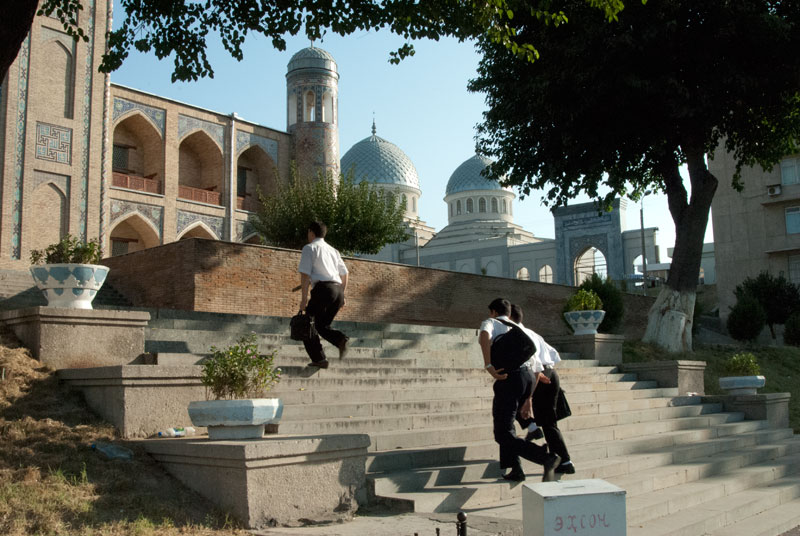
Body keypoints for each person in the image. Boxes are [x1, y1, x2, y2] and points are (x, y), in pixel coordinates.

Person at [479, 298, 561, 482]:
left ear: (493, 311)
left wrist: (489, 365)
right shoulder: (520, 329)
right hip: (527, 379)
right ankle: (515, 468)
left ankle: (544, 457)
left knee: (502, 433)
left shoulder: (491, 322)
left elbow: (484, 335)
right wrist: (528, 398)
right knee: (507, 426)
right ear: (509, 314)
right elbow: (536, 366)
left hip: (508, 379)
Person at [511, 304, 574, 476]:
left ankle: (564, 460)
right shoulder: (532, 333)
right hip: (549, 374)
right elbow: (553, 355)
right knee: (547, 421)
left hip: (538, 375)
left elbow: (536, 366)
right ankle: (535, 430)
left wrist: (531, 394)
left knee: (516, 404)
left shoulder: (520, 335)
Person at [297, 221, 349, 369]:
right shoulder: (333, 250)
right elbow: (345, 273)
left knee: (308, 324)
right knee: (321, 325)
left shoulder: (309, 248)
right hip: (337, 290)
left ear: (311, 232)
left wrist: (303, 300)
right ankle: (340, 339)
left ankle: (319, 359)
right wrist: (343, 294)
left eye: (308, 233)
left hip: (323, 290)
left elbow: (305, 275)